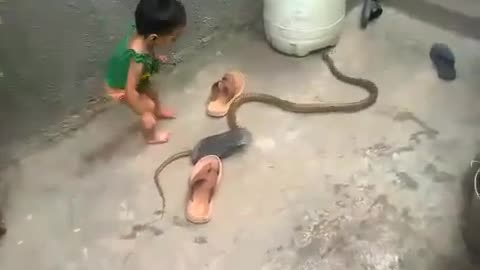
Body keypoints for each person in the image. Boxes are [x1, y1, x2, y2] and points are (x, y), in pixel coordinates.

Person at [104, 0, 186, 144]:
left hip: (133, 76)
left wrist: (155, 58)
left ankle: (158, 112)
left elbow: (148, 48)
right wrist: (144, 112)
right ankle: (151, 137)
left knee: (154, 93)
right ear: (154, 37)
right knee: (149, 107)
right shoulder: (138, 60)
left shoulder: (143, 33)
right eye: (173, 38)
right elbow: (130, 92)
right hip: (120, 87)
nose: (175, 41)